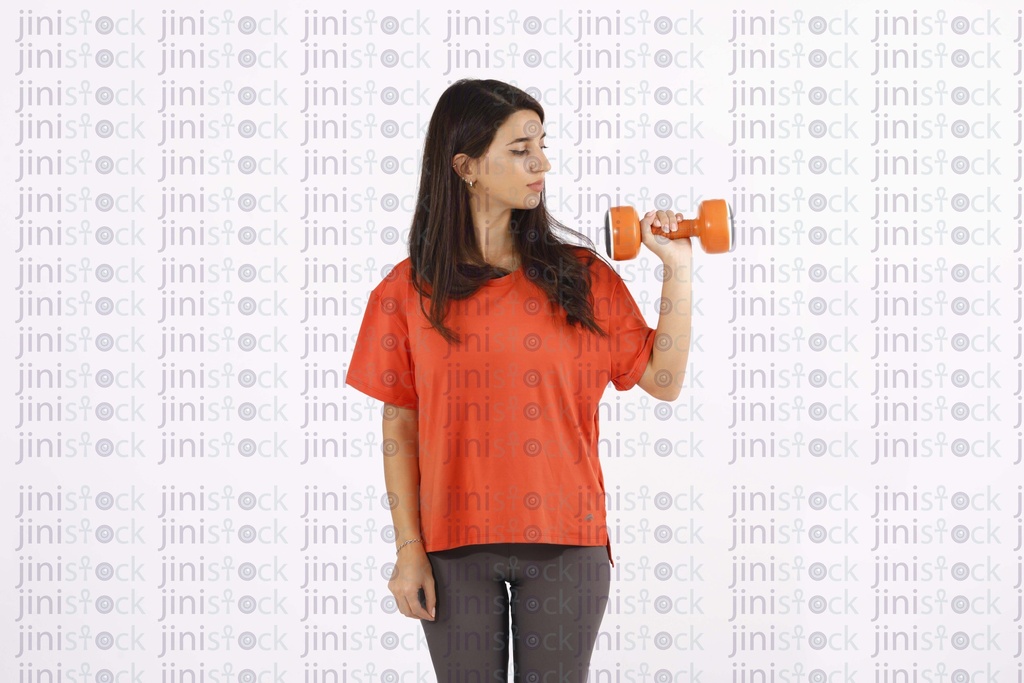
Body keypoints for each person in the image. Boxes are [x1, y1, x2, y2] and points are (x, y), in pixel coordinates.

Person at [344, 78, 693, 683]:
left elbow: (663, 379)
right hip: (454, 548)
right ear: (467, 166)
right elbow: (399, 423)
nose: (542, 163)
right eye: (520, 148)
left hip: (567, 543)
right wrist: (408, 551)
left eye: (543, 145)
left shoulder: (582, 277)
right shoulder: (407, 290)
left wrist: (677, 272)